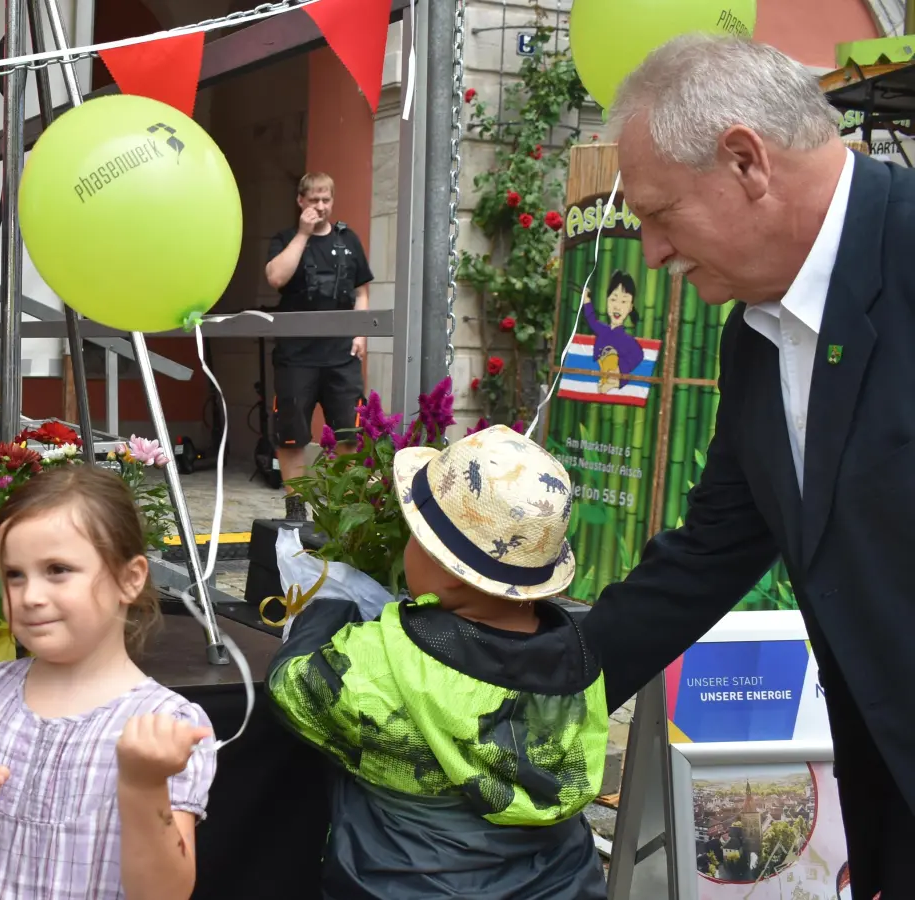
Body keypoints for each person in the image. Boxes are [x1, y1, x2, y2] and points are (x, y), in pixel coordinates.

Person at [579, 34, 915, 897]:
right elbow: (715, 547)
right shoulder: (756, 335)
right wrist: (534, 668)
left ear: (744, 162)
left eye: (658, 214)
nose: (650, 253)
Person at [268, 425, 609, 898]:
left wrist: (327, 608)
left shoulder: (382, 658)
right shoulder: (579, 662)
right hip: (562, 883)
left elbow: (292, 689)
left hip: (405, 884)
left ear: (448, 577)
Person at [0, 464, 217, 899]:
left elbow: (164, 894)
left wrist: (143, 786)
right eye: (14, 575)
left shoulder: (163, 724)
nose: (31, 595)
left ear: (129, 578)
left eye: (57, 569)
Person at [264, 172, 374, 520]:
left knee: (349, 432)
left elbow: (361, 291)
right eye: (314, 200)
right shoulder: (285, 238)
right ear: (301, 201)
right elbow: (276, 278)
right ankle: (295, 508)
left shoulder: (349, 239)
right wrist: (302, 234)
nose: (321, 207)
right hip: (296, 356)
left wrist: (361, 333)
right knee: (292, 435)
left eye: (326, 200)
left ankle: (342, 504)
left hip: (341, 356)